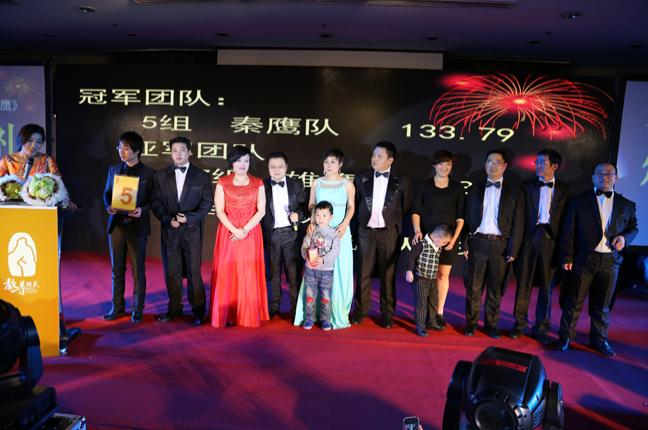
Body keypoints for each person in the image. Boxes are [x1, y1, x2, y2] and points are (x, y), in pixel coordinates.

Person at [556, 162, 638, 357]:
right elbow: (568, 231)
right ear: (593, 177)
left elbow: (633, 228)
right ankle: (565, 337)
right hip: (584, 258)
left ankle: (599, 339)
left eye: (609, 174)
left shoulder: (627, 205)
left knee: (603, 305)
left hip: (611, 260)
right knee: (573, 301)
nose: (605, 177)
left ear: (616, 178)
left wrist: (624, 238)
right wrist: (567, 256)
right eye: (600, 173)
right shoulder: (578, 201)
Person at [510, 149, 571, 343]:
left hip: (551, 241)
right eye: (536, 162)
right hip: (529, 239)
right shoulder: (526, 186)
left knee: (547, 286)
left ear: (554, 166)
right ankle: (519, 324)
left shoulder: (565, 189)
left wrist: (566, 252)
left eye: (542, 163)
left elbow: (568, 223)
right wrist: (514, 248)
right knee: (523, 284)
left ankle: (542, 327)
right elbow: (519, 218)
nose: (537, 165)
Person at [151, 136, 213, 326]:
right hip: (170, 230)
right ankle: (174, 309)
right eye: (174, 151)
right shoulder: (160, 176)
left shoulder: (202, 176)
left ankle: (198, 311)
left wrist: (190, 218)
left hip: (192, 231)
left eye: (182, 150)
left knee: (194, 272)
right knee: (172, 272)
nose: (178, 154)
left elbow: (207, 203)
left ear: (190, 152)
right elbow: (156, 203)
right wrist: (168, 220)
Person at [462, 150, 523, 338]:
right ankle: (471, 324)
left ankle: (491, 325)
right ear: (485, 165)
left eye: (497, 162)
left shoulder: (514, 191)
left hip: (501, 246)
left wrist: (514, 248)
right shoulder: (475, 188)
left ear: (504, 166)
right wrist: (465, 244)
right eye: (489, 161)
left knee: (496, 289)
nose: (492, 165)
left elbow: (519, 222)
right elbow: (465, 217)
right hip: (477, 243)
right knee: (473, 288)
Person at [352, 141, 412, 328]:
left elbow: (406, 207)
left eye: (379, 156)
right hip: (365, 232)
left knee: (388, 276)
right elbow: (356, 202)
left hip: (388, 234)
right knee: (363, 273)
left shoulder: (402, 180)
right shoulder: (361, 176)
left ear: (390, 160)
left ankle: (387, 314)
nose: (374, 159)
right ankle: (360, 311)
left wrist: (394, 224)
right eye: (374, 155)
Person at [294, 148, 355, 329]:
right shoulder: (317, 183)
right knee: (315, 266)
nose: (329, 165)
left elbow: (351, 207)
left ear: (340, 164)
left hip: (339, 231)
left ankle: (336, 313)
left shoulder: (347, 184)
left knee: (340, 270)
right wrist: (313, 222)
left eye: (333, 162)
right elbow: (312, 204)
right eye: (326, 162)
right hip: (319, 230)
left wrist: (344, 224)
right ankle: (311, 314)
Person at [210, 146, 269, 328]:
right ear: (232, 162)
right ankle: (227, 313)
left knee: (248, 271)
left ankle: (247, 314)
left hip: (251, 232)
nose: (242, 164)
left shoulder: (258, 182)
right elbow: (219, 211)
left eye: (246, 160)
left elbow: (261, 210)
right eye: (238, 160)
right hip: (228, 231)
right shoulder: (222, 181)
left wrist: (244, 229)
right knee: (227, 270)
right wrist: (235, 230)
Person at [102, 132, 154, 323]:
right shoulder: (114, 170)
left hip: (137, 226)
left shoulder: (149, 173)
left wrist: (142, 210)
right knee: (117, 269)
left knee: (138, 269)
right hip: (116, 225)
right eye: (119, 147)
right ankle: (117, 307)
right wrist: (108, 206)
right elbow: (107, 193)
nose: (121, 151)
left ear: (137, 150)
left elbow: (154, 200)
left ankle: (138, 308)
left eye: (126, 148)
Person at [411, 149, 465, 330]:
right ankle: (423, 313)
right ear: (434, 165)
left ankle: (438, 313)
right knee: (425, 277)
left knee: (442, 275)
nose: (444, 167)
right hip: (428, 238)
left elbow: (460, 218)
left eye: (448, 164)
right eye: (441, 163)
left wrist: (453, 240)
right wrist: (417, 231)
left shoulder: (457, 187)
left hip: (448, 241)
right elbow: (416, 211)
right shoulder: (424, 185)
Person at [261, 151, 306, 319]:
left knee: (293, 274)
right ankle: (274, 307)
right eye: (272, 167)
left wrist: (298, 215)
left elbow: (304, 207)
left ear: (286, 167)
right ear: (268, 168)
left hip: (291, 235)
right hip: (270, 235)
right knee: (273, 274)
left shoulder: (296, 184)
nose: (276, 170)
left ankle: (296, 309)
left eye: (280, 166)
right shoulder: (262, 186)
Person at [405, 224, 452, 337]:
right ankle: (420, 326)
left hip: (432, 279)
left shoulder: (437, 246)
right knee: (421, 304)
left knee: (433, 301)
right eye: (444, 242)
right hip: (421, 279)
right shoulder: (422, 244)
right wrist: (409, 271)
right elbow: (411, 257)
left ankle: (431, 322)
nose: (444, 245)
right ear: (437, 238)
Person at [300, 201, 341, 331]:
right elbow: (304, 246)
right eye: (317, 215)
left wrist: (323, 260)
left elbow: (335, 251)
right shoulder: (312, 230)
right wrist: (306, 256)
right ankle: (309, 318)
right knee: (310, 296)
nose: (320, 218)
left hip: (326, 271)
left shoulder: (334, 233)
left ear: (331, 217)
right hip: (310, 270)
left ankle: (325, 320)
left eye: (324, 215)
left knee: (325, 297)